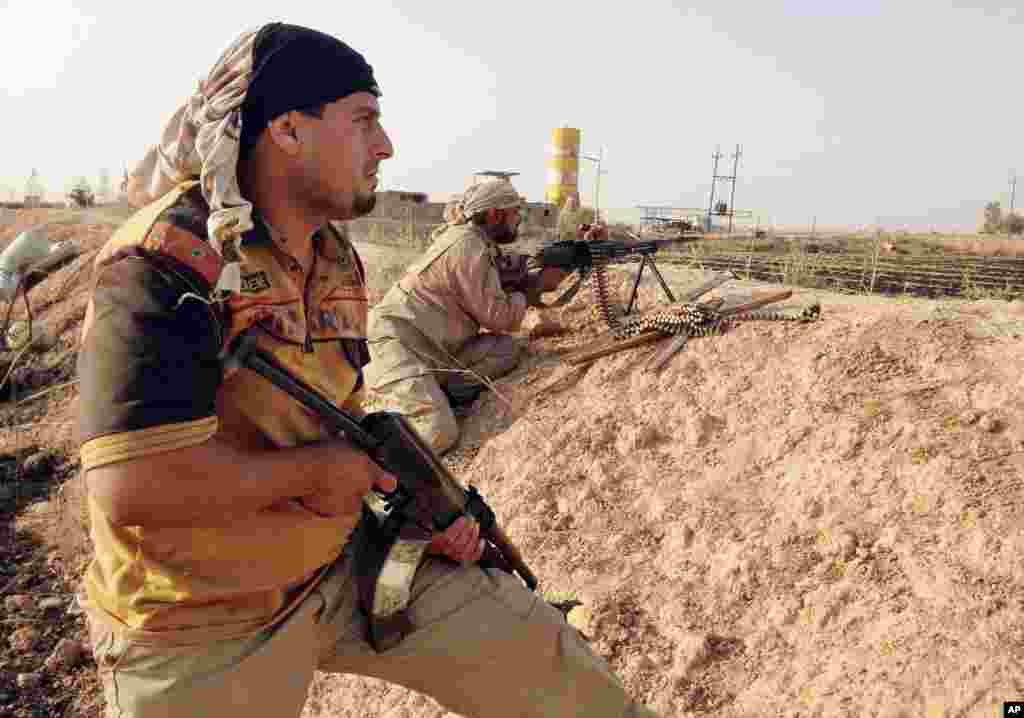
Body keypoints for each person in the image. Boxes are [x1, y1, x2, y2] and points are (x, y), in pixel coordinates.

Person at [75, 22, 656, 718]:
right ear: (288, 130)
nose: (386, 146)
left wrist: (419, 507)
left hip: (341, 561)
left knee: (551, 663)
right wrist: (321, 473)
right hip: (202, 620)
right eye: (364, 121)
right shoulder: (168, 262)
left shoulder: (333, 255)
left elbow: (339, 415)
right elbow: (130, 486)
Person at [364, 178, 576, 455]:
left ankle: (435, 397)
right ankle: (369, 465)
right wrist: (534, 288)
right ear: (494, 214)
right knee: (439, 431)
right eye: (515, 213)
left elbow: (505, 277)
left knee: (504, 351)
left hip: (433, 350)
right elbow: (499, 318)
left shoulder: (475, 242)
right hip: (396, 347)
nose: (519, 220)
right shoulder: (468, 247)